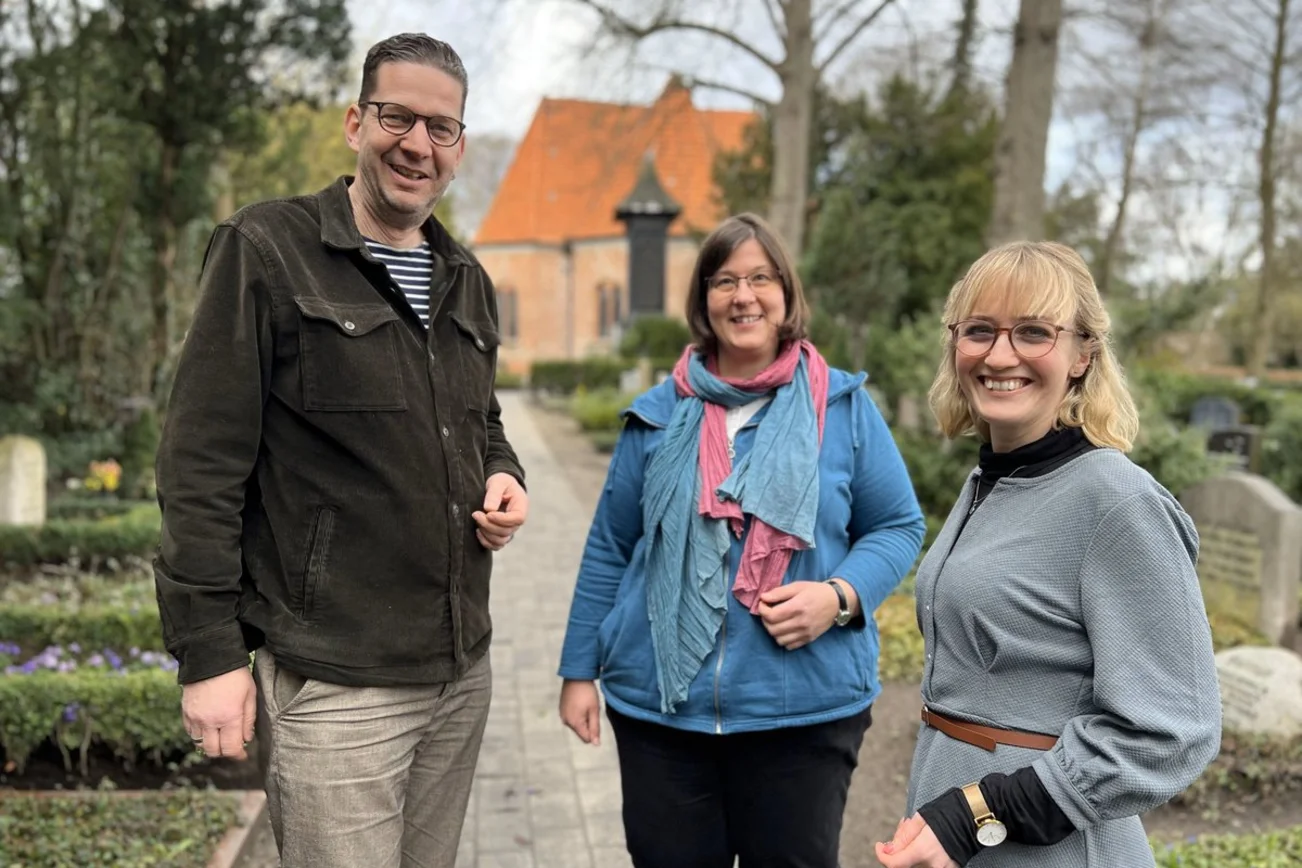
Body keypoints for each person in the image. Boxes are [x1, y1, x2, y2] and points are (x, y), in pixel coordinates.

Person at [153, 33, 527, 868]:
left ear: (459, 148)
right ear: (356, 121)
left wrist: (505, 473)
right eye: (398, 117)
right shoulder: (266, 250)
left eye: (441, 128)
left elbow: (482, 420)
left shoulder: (467, 278)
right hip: (336, 688)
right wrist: (210, 653)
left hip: (460, 675)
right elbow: (199, 465)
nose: (416, 144)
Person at [557, 212, 926, 868]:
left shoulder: (842, 409)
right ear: (704, 301)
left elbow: (898, 526)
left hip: (803, 715)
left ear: (786, 295)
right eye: (725, 281)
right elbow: (612, 545)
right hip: (661, 720)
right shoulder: (656, 414)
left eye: (760, 278)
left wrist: (839, 597)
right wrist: (579, 670)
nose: (744, 295)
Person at [874, 241, 1221, 868]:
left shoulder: (1117, 502)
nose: (999, 354)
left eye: (1034, 332)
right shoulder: (991, 480)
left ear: (1082, 353)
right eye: (979, 330)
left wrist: (982, 811)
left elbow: (1173, 730)